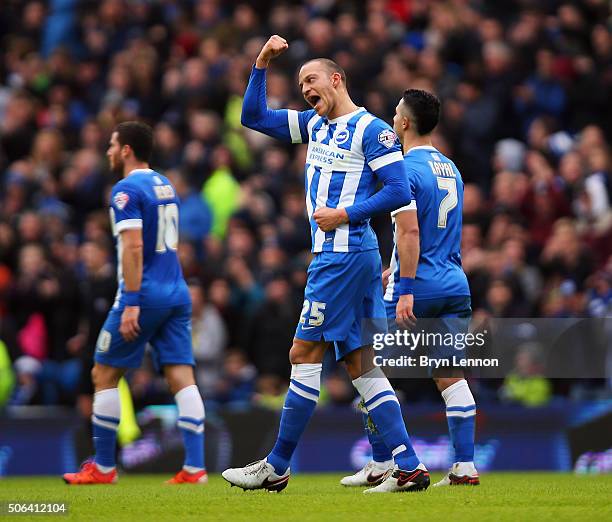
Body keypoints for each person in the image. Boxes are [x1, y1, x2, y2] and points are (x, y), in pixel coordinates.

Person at [222, 36, 429, 494]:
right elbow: (252, 116)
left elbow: (398, 192)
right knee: (361, 364)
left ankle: (276, 465)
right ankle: (409, 466)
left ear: (337, 79)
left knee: (302, 354)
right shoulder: (315, 126)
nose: (305, 90)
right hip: (347, 259)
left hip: (343, 256)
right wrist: (261, 64)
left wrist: (344, 214)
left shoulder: (372, 130)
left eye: (310, 80)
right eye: (299, 85)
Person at [341, 90, 479, 488]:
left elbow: (411, 230)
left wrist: (405, 284)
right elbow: (442, 232)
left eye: (395, 112)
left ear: (403, 123)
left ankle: (384, 463)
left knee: (366, 367)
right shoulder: (451, 168)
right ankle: (465, 467)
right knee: (451, 376)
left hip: (417, 288)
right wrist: (397, 267)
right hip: (454, 283)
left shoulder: (403, 168)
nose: (392, 117)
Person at [63, 121, 207, 485]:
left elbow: (133, 246)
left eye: (112, 145)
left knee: (104, 373)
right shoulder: (165, 183)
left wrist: (130, 301)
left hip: (144, 295)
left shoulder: (125, 189)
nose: (108, 151)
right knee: (181, 376)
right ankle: (195, 467)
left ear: (126, 149)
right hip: (176, 291)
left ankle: (105, 467)